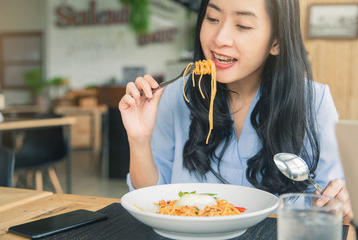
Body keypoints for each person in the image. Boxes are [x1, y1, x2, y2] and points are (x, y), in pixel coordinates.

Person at [119, 0, 353, 221]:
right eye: (212, 18)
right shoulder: (176, 95)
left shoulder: (315, 102)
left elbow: (330, 201)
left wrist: (342, 200)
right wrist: (138, 138)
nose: (220, 38)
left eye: (243, 25)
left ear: (276, 41)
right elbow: (152, 199)